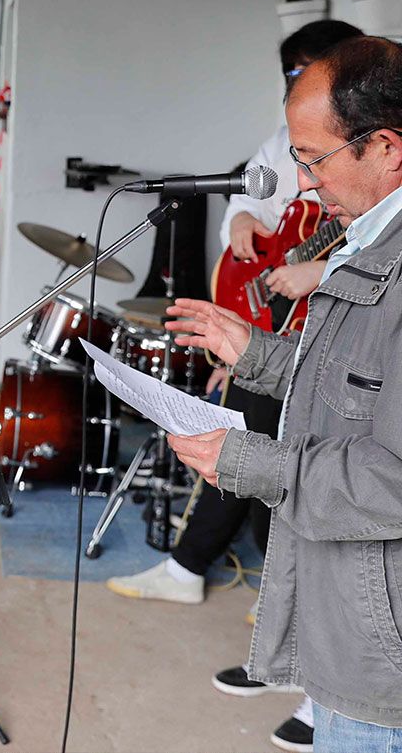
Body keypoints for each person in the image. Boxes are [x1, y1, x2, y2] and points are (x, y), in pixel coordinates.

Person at [163, 36, 402, 753]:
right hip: (348, 627)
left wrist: (250, 462)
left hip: (381, 654)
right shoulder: (368, 239)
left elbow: (393, 476)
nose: (300, 184)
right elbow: (360, 382)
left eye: (313, 159)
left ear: (385, 146)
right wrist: (256, 353)